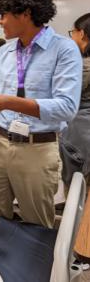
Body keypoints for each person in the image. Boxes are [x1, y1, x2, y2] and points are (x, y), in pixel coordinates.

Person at [0, 0, 82, 228]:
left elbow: (66, 107)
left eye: (4, 15)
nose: (0, 21)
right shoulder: (4, 53)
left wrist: (10, 102)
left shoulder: (64, 50)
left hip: (36, 150)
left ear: (26, 13)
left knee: (36, 226)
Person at [60, 13, 90, 188]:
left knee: (76, 187)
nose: (71, 37)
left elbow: (63, 98)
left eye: (73, 32)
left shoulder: (83, 66)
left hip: (80, 132)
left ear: (83, 34)